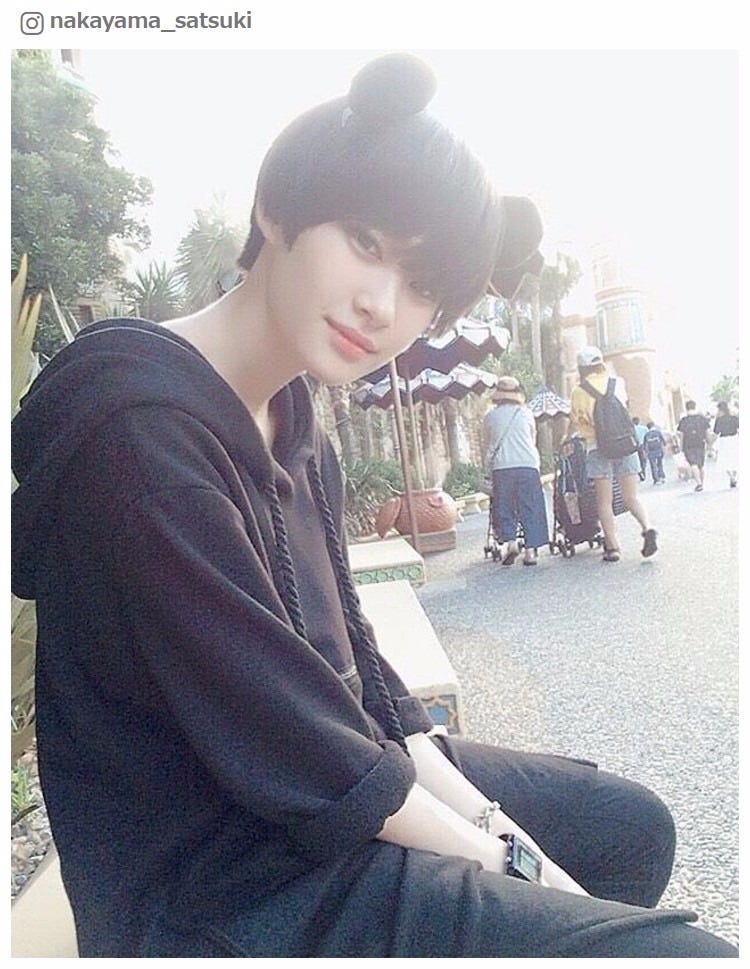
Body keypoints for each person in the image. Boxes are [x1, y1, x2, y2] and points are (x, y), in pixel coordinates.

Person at [11, 55, 736, 959]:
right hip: (222, 888)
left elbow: (357, 676)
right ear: (276, 208)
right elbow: (304, 745)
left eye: (422, 285)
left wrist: (515, 852)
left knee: (627, 829)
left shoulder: (294, 415)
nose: (381, 304)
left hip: (326, 789)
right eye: (364, 241)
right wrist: (520, 872)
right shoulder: (139, 440)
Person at [567, 346, 658, 562]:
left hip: (597, 448)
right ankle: (647, 527)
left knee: (604, 502)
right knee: (631, 497)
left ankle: (613, 547)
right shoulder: (617, 383)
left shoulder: (578, 391)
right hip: (625, 443)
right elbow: (626, 410)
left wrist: (567, 438)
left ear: (582, 368)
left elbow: (576, 421)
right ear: (600, 363)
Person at [481, 376, 548, 566]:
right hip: (528, 465)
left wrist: (486, 470)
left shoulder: (490, 417)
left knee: (504, 505)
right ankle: (530, 551)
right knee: (530, 506)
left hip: (502, 467)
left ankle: (511, 542)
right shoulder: (526, 414)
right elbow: (532, 440)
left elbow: (487, 446)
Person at [677, 400, 711, 492]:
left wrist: (680, 447)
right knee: (701, 465)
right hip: (700, 443)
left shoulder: (684, 420)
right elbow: (707, 432)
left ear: (686, 408)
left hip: (688, 444)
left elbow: (681, 435)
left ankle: (699, 483)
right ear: (695, 406)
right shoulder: (702, 419)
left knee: (693, 463)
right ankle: (702, 483)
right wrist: (709, 444)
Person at [713, 400, 739, 488]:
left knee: (725, 459)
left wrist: (711, 444)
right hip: (734, 439)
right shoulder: (734, 418)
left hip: (724, 440)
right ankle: (734, 475)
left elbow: (716, 432)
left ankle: (731, 476)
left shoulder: (719, 420)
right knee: (735, 458)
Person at [643, 421, 667, 485]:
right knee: (660, 464)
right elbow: (664, 442)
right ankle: (661, 476)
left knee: (653, 466)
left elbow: (645, 445)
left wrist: (645, 453)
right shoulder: (658, 432)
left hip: (651, 452)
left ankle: (656, 479)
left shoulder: (646, 435)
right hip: (659, 450)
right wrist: (664, 449)